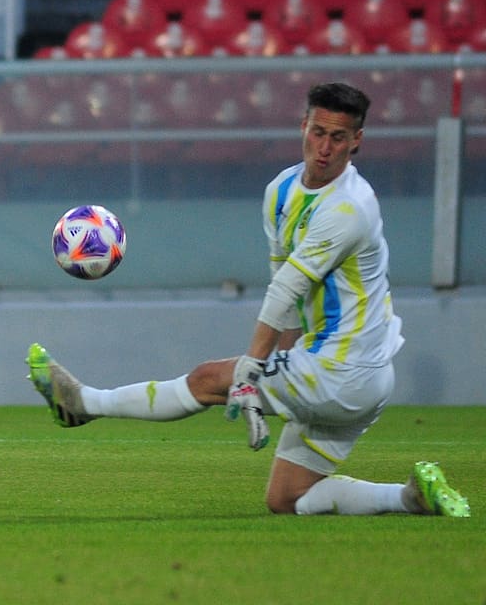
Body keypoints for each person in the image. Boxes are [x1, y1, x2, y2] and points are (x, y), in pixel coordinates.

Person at [27, 82, 471, 518]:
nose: (324, 147)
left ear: (356, 141)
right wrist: (278, 362)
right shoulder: (282, 191)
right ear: (303, 125)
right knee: (288, 498)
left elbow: (288, 289)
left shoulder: (350, 209)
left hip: (344, 369)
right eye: (318, 132)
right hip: (351, 371)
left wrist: (249, 371)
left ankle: (83, 405)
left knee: (206, 379)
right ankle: (409, 497)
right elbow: (285, 283)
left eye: (338, 137)